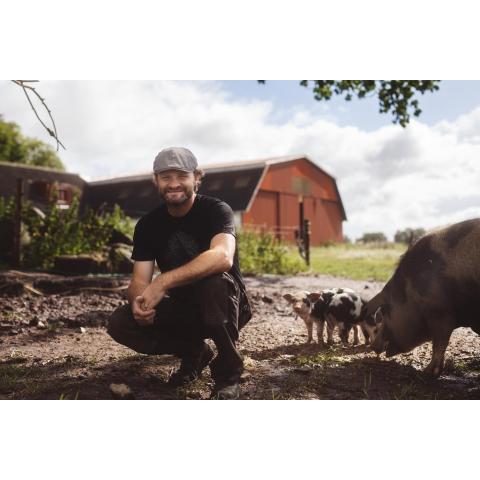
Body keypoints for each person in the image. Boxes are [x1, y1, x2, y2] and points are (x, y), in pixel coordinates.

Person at [107, 147, 252, 399]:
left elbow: (222, 256)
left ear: (197, 178)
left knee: (213, 282)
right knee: (120, 322)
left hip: (227, 305)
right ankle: (195, 352)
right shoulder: (148, 225)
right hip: (184, 309)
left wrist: (163, 281)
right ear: (156, 181)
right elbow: (139, 280)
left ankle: (228, 372)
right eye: (166, 177)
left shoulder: (216, 210)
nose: (173, 184)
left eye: (181, 176)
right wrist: (139, 302)